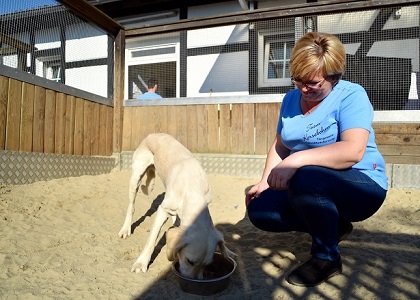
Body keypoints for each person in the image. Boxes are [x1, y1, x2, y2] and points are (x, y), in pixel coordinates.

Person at [245, 32, 388, 287]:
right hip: (310, 181)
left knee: (307, 176)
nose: (303, 89)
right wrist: (265, 181)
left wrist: (296, 160)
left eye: (313, 83)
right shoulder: (290, 99)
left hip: (363, 184)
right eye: (298, 80)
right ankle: (334, 227)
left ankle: (326, 258)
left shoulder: (351, 95)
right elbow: (281, 144)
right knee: (259, 210)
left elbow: (352, 151)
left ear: (334, 76)